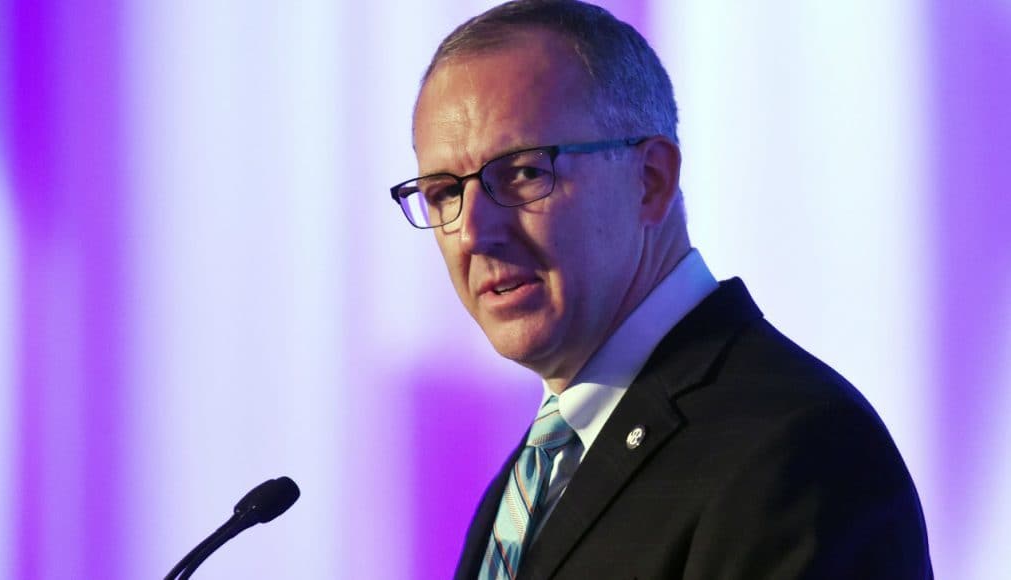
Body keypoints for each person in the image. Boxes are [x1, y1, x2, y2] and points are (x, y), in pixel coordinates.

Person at [389, 1, 933, 578]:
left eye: (523, 172)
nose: (473, 232)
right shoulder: (530, 479)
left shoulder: (798, 448)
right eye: (444, 192)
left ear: (650, 181)